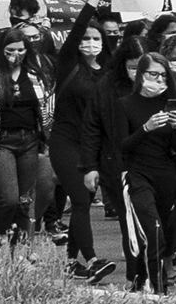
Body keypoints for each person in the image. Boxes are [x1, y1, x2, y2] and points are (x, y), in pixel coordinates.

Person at [49, 16, 128, 280]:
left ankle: (71, 262)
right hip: (66, 140)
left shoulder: (109, 71)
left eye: (96, 39)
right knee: (82, 199)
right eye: (85, 38)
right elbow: (76, 33)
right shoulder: (68, 64)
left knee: (84, 200)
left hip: (94, 144)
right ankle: (93, 259)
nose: (90, 43)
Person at [122, 51, 176, 291]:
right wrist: (146, 127)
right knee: (153, 233)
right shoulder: (125, 104)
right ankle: (155, 287)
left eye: (164, 76)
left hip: (166, 177)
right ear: (141, 75)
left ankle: (145, 280)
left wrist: (175, 127)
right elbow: (121, 146)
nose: (159, 81)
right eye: (154, 74)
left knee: (164, 236)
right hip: (137, 174)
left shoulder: (169, 104)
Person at [0, 27, 54, 248]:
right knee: (8, 199)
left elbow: (45, 112)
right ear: (1, 50)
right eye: (10, 50)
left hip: (29, 140)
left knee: (24, 200)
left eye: (20, 50)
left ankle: (20, 246)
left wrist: (48, 141)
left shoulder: (35, 77)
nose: (16, 55)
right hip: (1, 141)